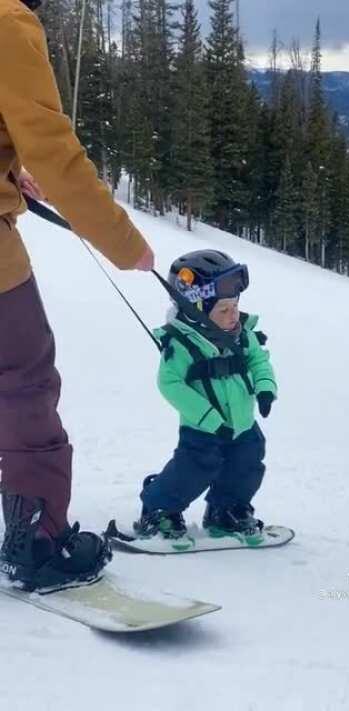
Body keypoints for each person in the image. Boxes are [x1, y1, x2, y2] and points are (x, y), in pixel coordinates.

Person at [0, 0, 154, 591]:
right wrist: (125, 243)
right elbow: (56, 153)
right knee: (24, 378)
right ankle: (37, 545)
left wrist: (11, 171)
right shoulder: (9, 21)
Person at [134, 250, 278, 543]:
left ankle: (226, 510)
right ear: (195, 309)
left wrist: (265, 389)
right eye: (223, 310)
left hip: (242, 422)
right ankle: (159, 507)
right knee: (195, 469)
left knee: (247, 464)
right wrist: (211, 419)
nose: (232, 315)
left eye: (234, 307)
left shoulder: (242, 334)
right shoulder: (182, 344)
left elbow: (258, 361)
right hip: (202, 428)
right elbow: (170, 384)